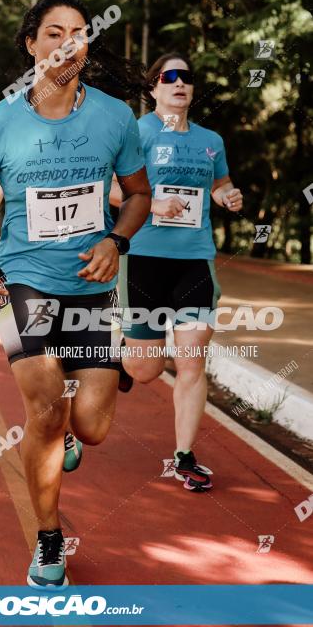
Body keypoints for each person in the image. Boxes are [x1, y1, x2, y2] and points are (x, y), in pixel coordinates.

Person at [0, 0, 151, 587]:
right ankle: (48, 539)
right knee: (44, 409)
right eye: (54, 32)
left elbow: (138, 195)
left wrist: (116, 240)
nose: (68, 43)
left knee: (89, 427)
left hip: (88, 286)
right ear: (31, 44)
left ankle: (81, 410)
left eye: (79, 33)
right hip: (24, 283)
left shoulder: (115, 117)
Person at [114, 52, 243, 492]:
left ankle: (185, 456)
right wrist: (150, 203)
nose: (179, 83)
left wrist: (227, 195)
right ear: (153, 88)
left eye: (186, 77)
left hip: (195, 260)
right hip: (144, 259)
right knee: (147, 369)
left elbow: (219, 182)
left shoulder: (211, 140)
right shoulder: (137, 132)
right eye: (169, 77)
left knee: (192, 361)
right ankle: (122, 362)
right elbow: (111, 188)